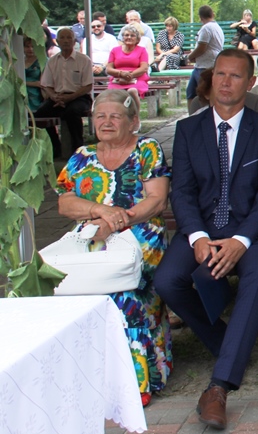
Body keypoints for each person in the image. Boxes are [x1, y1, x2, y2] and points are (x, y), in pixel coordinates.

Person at [154, 49, 258, 431]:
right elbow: (181, 191)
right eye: (220, 75)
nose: (226, 82)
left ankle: (219, 386)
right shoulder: (188, 130)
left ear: (250, 83)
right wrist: (197, 236)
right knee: (167, 280)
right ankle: (228, 342)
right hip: (202, 226)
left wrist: (240, 240)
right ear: (211, 80)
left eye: (235, 76)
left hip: (253, 229)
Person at [56, 90, 172, 407]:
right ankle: (88, 377)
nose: (106, 122)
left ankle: (136, 379)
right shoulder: (81, 156)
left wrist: (118, 221)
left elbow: (157, 200)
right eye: (100, 116)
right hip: (94, 232)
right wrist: (101, 213)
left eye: (115, 116)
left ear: (133, 121)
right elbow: (65, 202)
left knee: (121, 284)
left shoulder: (146, 149)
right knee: (70, 283)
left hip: (140, 232)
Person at [186, 5, 224, 101]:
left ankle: (205, 114)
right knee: (191, 92)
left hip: (205, 66)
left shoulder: (206, 28)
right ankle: (194, 115)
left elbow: (202, 47)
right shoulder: (217, 27)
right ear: (212, 14)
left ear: (200, 17)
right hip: (202, 65)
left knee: (203, 95)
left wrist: (190, 57)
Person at [105, 25, 150, 102]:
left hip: (137, 79)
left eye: (132, 36)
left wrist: (129, 76)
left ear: (137, 39)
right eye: (126, 35)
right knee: (112, 94)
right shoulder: (115, 50)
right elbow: (109, 69)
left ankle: (135, 113)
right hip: (118, 79)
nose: (129, 37)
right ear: (123, 38)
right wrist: (121, 74)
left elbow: (144, 68)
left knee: (132, 91)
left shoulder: (142, 50)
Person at [22, 37, 43, 112]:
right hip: (21, 95)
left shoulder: (42, 61)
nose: (30, 49)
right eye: (27, 46)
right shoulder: (19, 61)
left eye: (33, 47)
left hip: (36, 97)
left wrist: (24, 83)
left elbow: (41, 83)